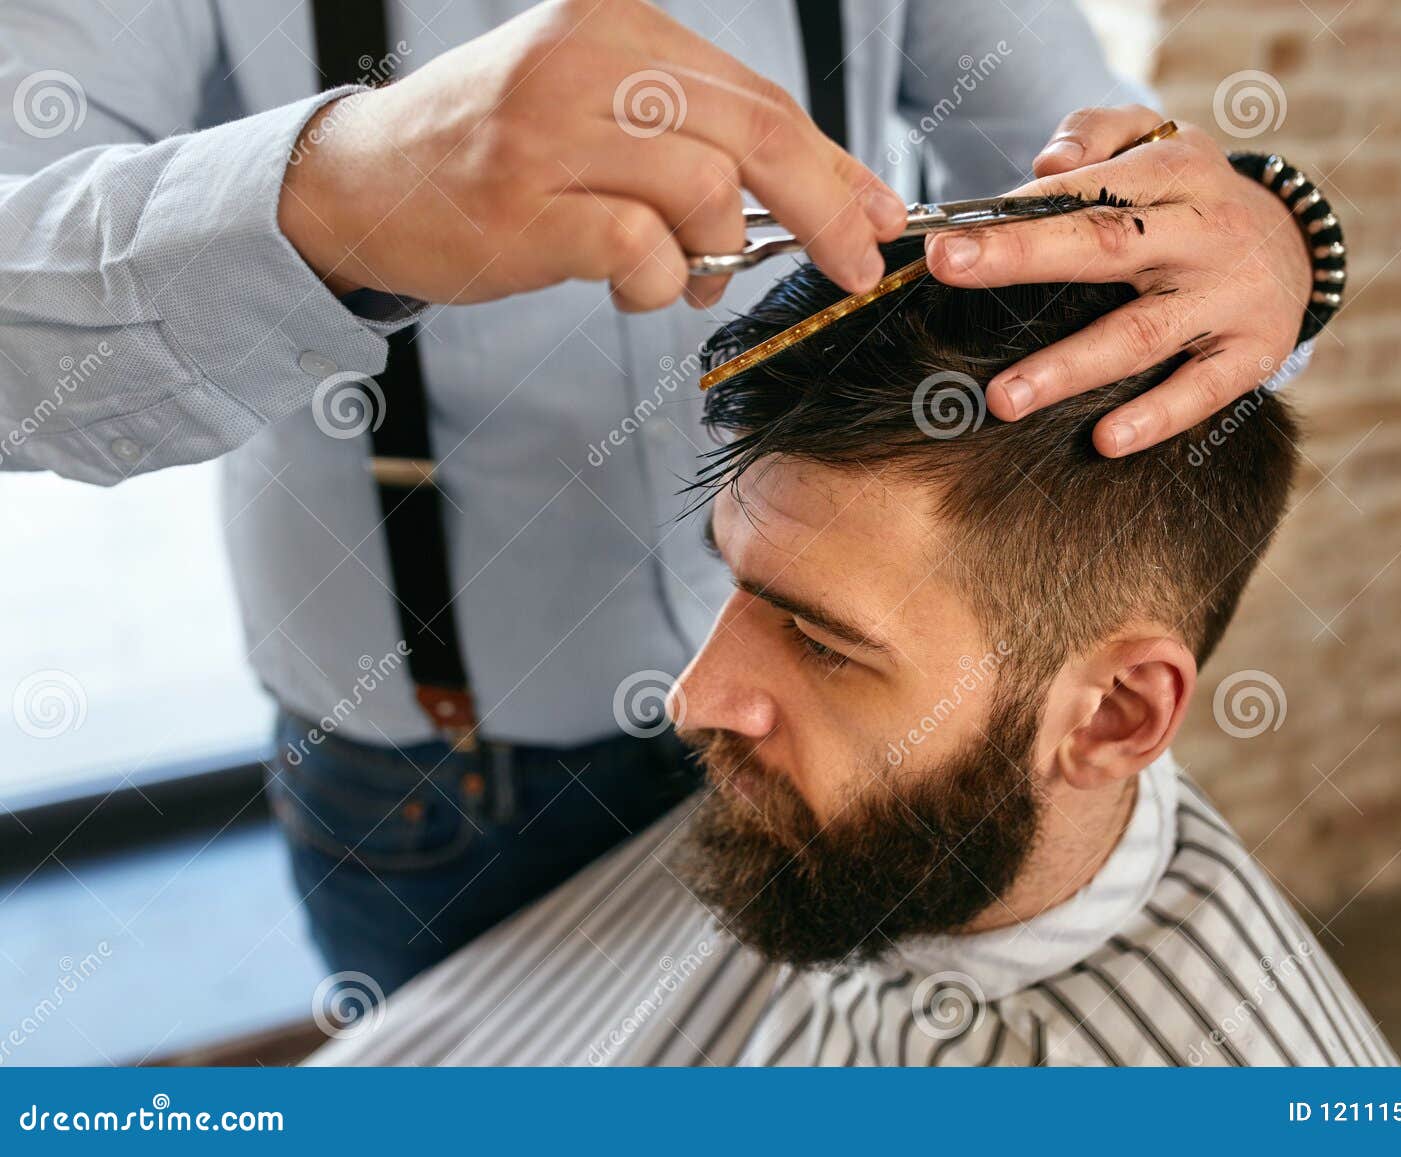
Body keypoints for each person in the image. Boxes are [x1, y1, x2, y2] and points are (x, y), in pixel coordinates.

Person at [0, 0, 1320, 991]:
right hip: (428, 776)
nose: (696, 692)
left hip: (860, 736)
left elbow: (1103, 184)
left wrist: (1275, 236)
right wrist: (340, 192)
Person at [308, 232, 1393, 1066]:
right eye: (734, 582)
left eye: (824, 642)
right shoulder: (846, 835)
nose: (692, 698)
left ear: (1112, 712)